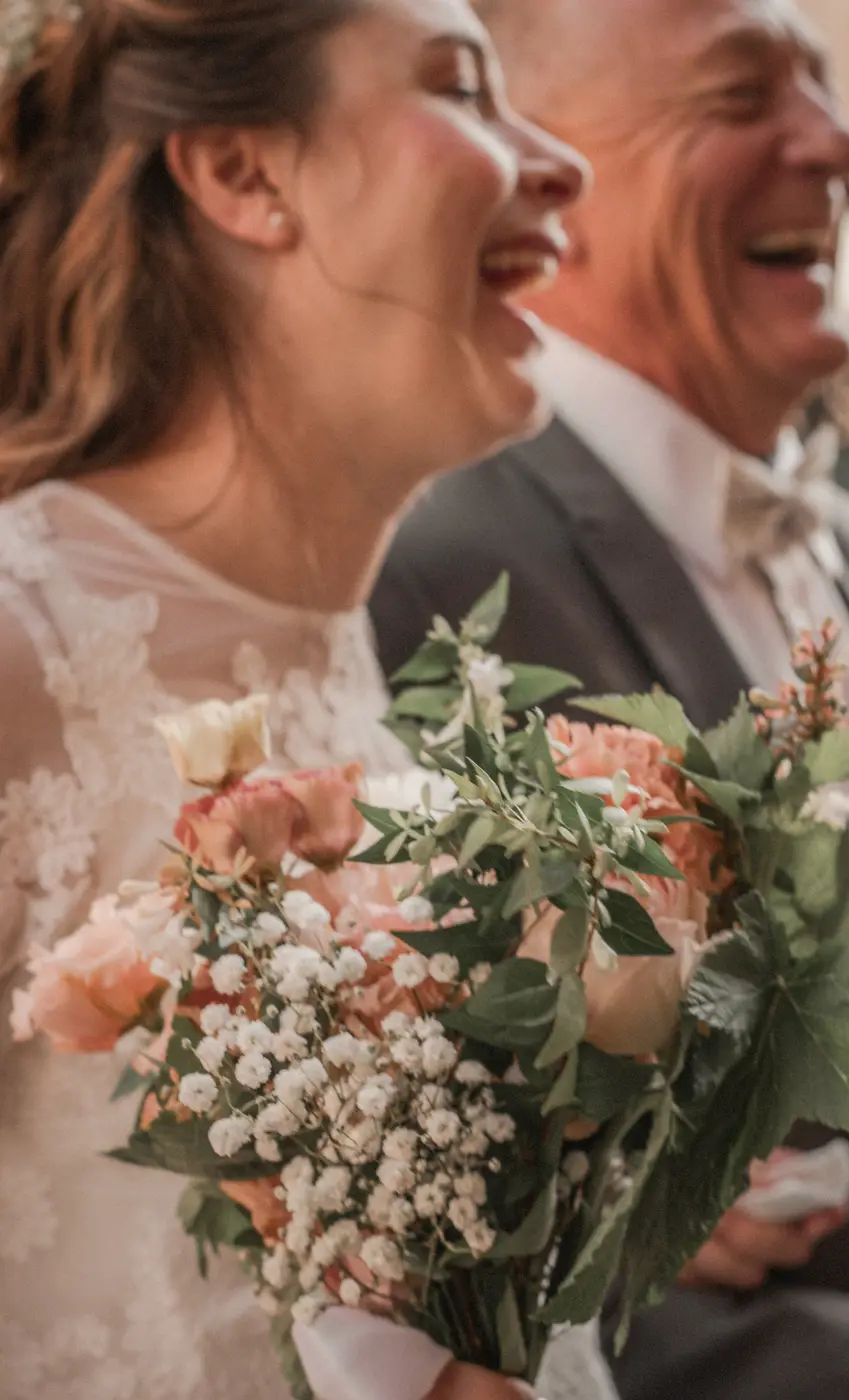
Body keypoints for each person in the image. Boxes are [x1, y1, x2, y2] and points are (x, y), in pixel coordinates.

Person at [0, 2, 587, 1398]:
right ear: (246, 176)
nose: (557, 161)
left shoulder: (366, 670)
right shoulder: (19, 652)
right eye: (462, 85)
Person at [370, 1, 849, 1398]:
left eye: (824, 79)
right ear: (547, 171)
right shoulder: (419, 558)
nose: (840, 138)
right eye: (742, 95)